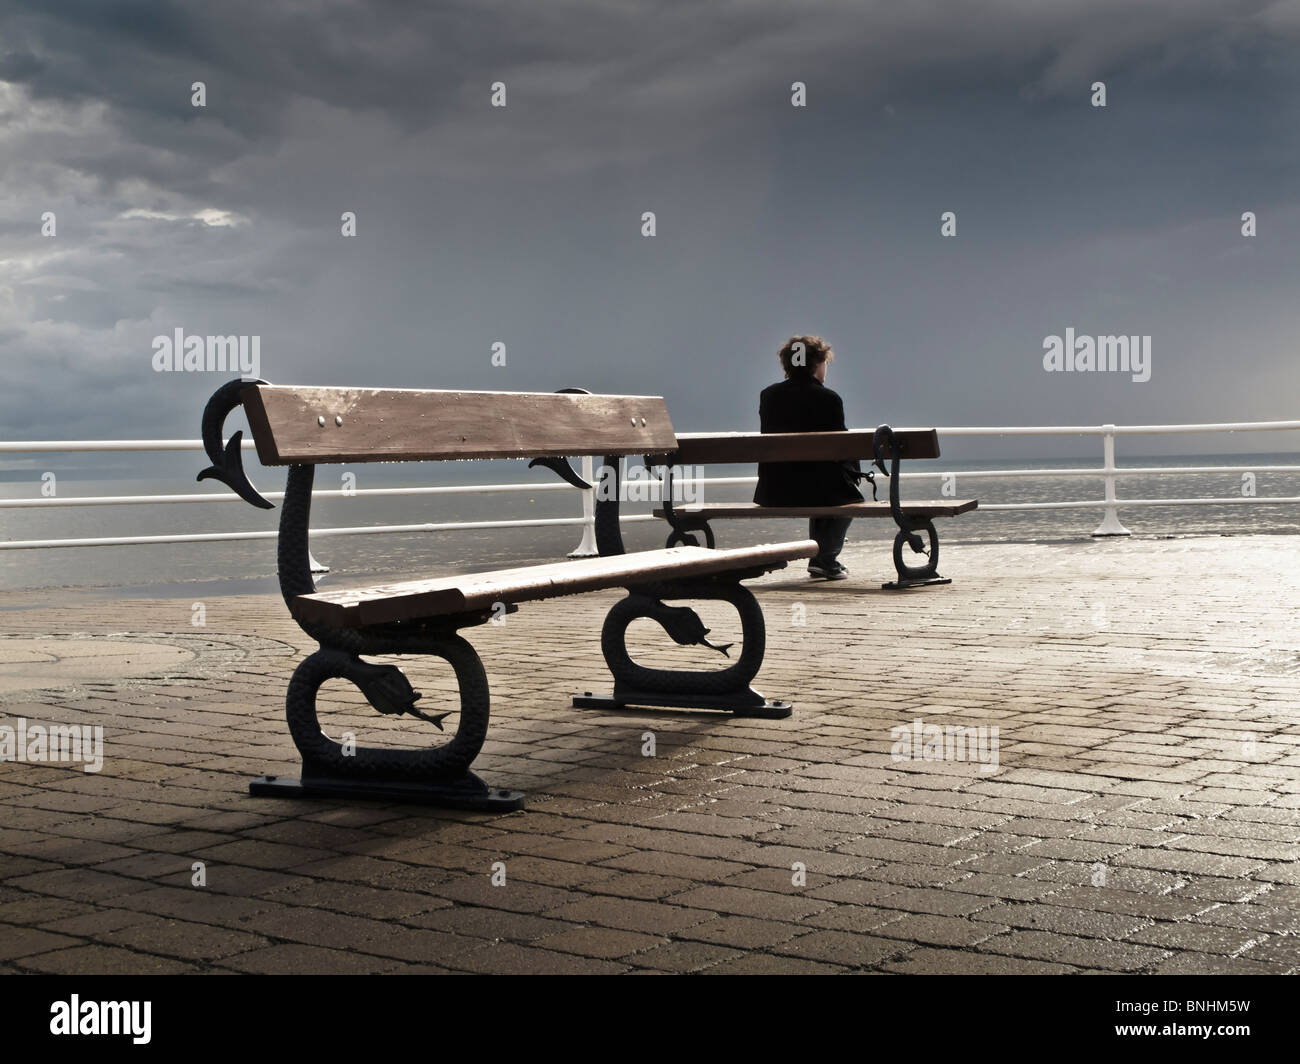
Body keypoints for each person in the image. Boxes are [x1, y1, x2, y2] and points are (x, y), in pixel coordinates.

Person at [754, 335, 862, 580]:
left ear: (787, 365)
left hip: (774, 491)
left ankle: (821, 558)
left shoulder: (768, 396)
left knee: (825, 489)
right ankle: (825, 559)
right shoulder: (829, 398)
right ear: (817, 364)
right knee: (848, 498)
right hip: (818, 490)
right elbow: (841, 447)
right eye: (825, 363)